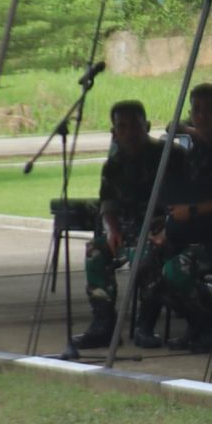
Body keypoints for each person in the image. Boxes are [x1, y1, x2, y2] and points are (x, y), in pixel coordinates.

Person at [148, 83, 212, 349]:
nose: (202, 116)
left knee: (176, 270)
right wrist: (170, 219)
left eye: (209, 110)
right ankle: (202, 325)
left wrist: (193, 210)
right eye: (196, 110)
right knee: (148, 264)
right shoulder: (196, 150)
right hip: (196, 231)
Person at [69, 100, 161, 352]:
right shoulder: (113, 165)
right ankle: (103, 325)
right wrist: (111, 229)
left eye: (135, 126)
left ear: (148, 126)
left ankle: (145, 326)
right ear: (114, 132)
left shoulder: (167, 156)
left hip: (159, 232)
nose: (129, 132)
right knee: (95, 251)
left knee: (148, 254)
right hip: (126, 233)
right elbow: (107, 205)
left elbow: (182, 199)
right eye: (122, 127)